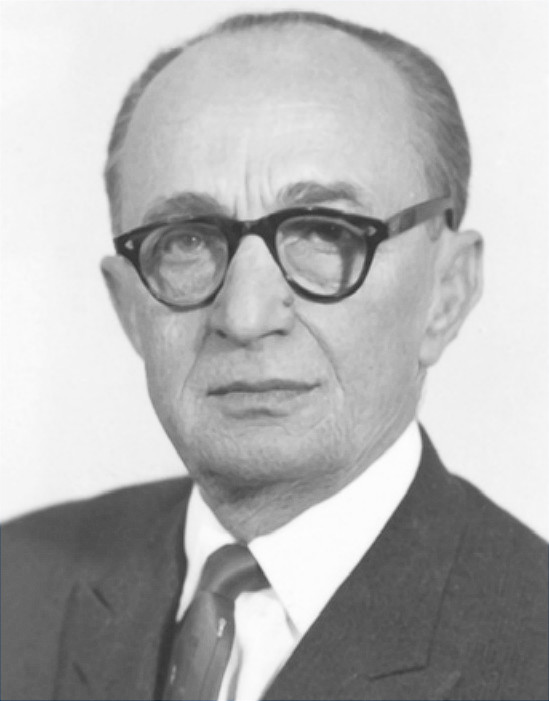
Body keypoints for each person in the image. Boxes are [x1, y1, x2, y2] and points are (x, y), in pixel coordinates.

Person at [1, 10, 547, 701]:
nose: (245, 317)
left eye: (325, 233)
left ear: (447, 292)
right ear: (128, 306)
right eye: (186, 241)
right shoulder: (16, 582)